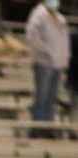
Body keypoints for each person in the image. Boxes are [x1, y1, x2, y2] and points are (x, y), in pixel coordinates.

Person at [25, 0, 71, 137]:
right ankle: (37, 127)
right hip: (43, 61)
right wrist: (48, 51)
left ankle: (48, 127)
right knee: (42, 95)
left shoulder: (60, 18)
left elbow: (64, 41)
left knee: (52, 97)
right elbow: (32, 37)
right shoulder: (38, 15)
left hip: (58, 63)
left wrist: (65, 58)